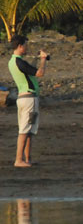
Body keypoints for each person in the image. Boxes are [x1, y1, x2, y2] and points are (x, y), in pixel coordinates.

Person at [8, 35, 48, 167]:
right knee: (25, 130)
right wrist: (43, 59)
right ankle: (19, 160)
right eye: (25, 45)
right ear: (20, 46)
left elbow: (29, 72)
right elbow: (40, 73)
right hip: (29, 99)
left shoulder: (13, 62)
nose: (27, 47)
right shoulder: (20, 62)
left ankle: (27, 158)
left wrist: (38, 60)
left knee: (29, 129)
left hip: (24, 98)